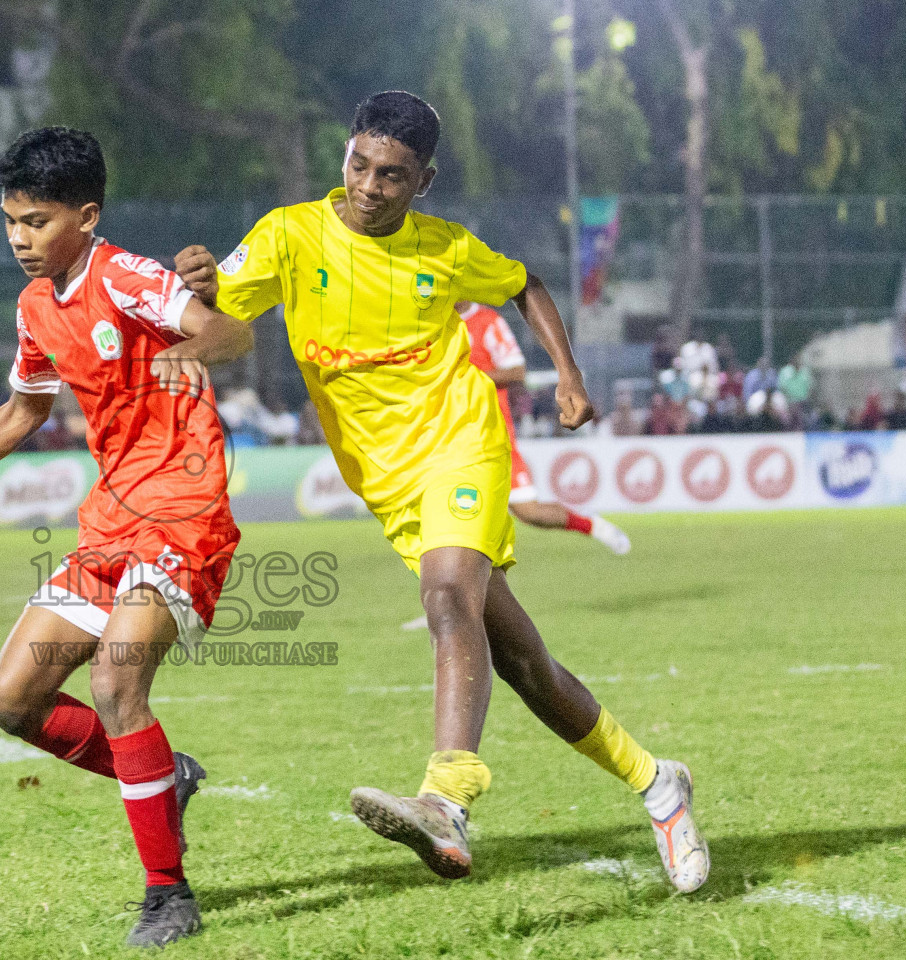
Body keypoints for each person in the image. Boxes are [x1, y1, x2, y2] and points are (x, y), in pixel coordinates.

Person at [169, 92, 707, 891]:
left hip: (462, 444)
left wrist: (569, 375)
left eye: (392, 175)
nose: (369, 185)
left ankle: (445, 800)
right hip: (387, 483)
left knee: (448, 594)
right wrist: (201, 290)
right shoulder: (288, 235)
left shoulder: (446, 249)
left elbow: (525, 285)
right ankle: (659, 782)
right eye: (360, 164)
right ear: (345, 154)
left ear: (423, 181)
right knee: (525, 665)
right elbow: (211, 326)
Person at [0, 128, 252, 947]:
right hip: (113, 516)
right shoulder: (34, 305)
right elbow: (24, 408)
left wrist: (189, 349)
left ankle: (168, 894)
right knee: (10, 698)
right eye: (11, 220)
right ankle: (162, 776)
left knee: (120, 686)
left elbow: (234, 335)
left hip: (185, 509)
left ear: (86, 215)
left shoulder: (125, 277)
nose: (20, 238)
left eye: (37, 221)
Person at [458, 302, 630, 554]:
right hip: (447, 439)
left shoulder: (487, 322)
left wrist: (466, 377)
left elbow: (517, 372)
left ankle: (591, 525)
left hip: (491, 438)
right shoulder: (433, 322)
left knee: (529, 512)